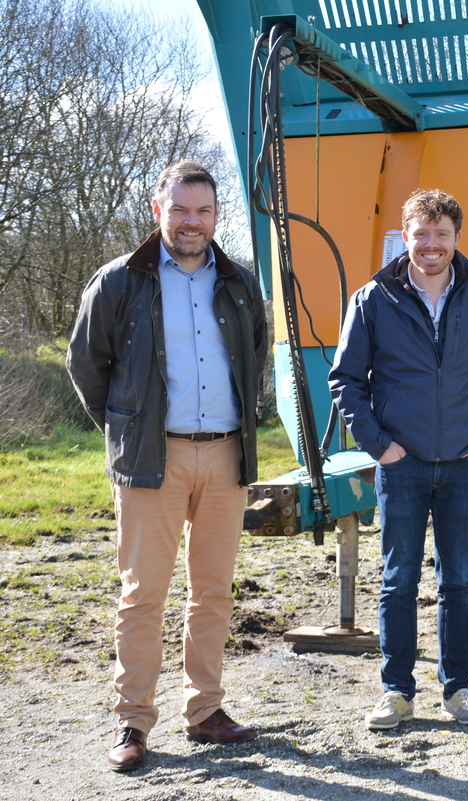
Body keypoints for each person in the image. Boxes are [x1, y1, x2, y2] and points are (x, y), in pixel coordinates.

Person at [67, 161, 268, 771]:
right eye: (180, 209)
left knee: (212, 591)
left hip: (226, 452)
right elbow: (87, 366)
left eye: (203, 211)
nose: (191, 222)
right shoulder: (119, 281)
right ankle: (133, 720)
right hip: (153, 457)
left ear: (215, 216)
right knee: (143, 593)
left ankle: (205, 709)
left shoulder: (238, 283)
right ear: (159, 210)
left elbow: (254, 357)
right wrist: (127, 431)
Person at [329, 189, 468, 728]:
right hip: (402, 462)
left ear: (457, 238)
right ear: (405, 237)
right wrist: (379, 445)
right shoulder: (373, 300)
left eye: (442, 234)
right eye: (421, 233)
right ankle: (396, 691)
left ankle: (459, 690)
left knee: (458, 579)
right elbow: (345, 381)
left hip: (464, 461)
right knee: (399, 580)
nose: (431, 244)